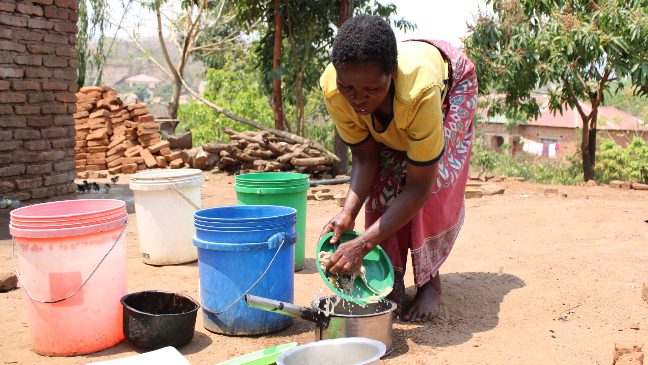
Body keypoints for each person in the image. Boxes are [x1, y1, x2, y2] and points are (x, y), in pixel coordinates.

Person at [319, 15, 477, 322]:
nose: (358, 99)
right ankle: (388, 279)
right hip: (403, 103)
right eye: (348, 88)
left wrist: (363, 242)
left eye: (370, 90)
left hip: (451, 85)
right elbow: (366, 158)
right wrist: (347, 213)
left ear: (391, 74)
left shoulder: (420, 91)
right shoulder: (336, 90)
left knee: (434, 184)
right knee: (383, 185)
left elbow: (420, 186)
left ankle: (430, 281)